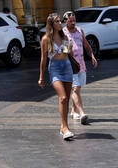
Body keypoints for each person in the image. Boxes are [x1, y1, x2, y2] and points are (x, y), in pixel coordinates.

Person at [38, 13, 75, 141]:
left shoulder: (64, 36)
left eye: (60, 21)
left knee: (66, 99)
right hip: (54, 68)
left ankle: (64, 126)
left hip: (67, 66)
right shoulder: (45, 39)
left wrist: (69, 45)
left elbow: (69, 53)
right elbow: (43, 60)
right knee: (63, 97)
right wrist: (41, 77)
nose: (61, 23)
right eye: (58, 21)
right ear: (52, 24)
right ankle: (65, 128)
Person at [62, 11, 97, 122]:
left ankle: (73, 111)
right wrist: (69, 49)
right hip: (70, 66)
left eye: (74, 20)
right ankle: (82, 113)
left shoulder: (79, 31)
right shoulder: (63, 33)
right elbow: (66, 51)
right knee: (75, 88)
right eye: (70, 21)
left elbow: (86, 45)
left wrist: (92, 56)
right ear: (65, 21)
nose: (73, 22)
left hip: (81, 64)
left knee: (77, 90)